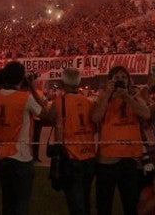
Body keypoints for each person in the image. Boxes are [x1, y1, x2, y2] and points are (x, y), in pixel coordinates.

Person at [0, 61, 53, 215]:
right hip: (20, 156)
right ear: (21, 78)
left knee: (8, 202)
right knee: (21, 203)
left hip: (2, 155)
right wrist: (32, 87)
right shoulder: (25, 98)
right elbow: (46, 114)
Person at [93, 66, 155, 215]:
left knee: (130, 205)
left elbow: (146, 114)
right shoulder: (104, 98)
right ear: (110, 81)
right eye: (116, 77)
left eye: (124, 77)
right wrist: (108, 94)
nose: (120, 80)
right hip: (107, 159)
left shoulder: (135, 98)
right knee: (104, 206)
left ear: (128, 81)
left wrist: (126, 97)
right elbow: (96, 118)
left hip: (129, 159)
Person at [52, 67, 97, 215]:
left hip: (71, 158)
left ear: (63, 82)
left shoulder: (59, 102)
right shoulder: (89, 102)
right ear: (78, 83)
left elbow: (46, 117)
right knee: (85, 199)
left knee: (76, 204)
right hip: (89, 157)